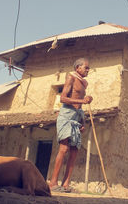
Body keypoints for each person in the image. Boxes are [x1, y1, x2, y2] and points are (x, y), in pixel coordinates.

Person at [49, 58, 93, 192]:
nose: (88, 70)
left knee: (74, 151)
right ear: (77, 68)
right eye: (86, 67)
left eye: (88, 68)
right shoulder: (71, 78)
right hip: (66, 116)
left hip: (77, 117)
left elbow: (79, 106)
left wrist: (83, 121)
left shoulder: (84, 83)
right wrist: (82, 100)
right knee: (63, 149)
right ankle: (53, 183)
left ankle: (66, 184)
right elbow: (62, 99)